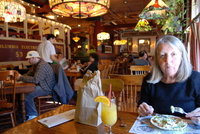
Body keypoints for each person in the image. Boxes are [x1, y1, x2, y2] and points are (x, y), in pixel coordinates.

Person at [137, 35, 200, 125]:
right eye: (162, 55)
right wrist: (143, 109)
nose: (168, 60)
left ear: (181, 57)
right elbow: (142, 104)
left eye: (173, 54)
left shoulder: (196, 79)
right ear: (157, 60)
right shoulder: (149, 80)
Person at [17, 51, 56, 121]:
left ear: (34, 58)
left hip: (46, 88)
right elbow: (28, 74)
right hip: (41, 85)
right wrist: (21, 77)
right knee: (21, 92)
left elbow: (35, 80)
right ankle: (22, 112)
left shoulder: (42, 65)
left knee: (27, 94)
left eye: (29, 59)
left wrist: (21, 78)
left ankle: (33, 115)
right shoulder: (36, 65)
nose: (28, 61)